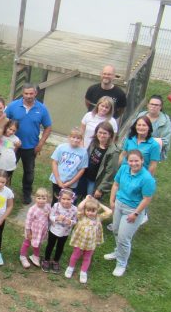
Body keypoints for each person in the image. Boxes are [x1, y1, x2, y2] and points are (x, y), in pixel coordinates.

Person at [104, 149, 156, 277]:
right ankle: (118, 251)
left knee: (123, 237)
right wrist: (112, 200)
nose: (133, 163)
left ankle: (121, 263)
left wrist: (136, 214)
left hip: (133, 210)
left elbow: (146, 198)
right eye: (131, 161)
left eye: (136, 161)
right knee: (115, 230)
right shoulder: (124, 169)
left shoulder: (147, 178)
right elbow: (116, 184)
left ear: (142, 161)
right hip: (119, 204)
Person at [6, 83, 53, 205]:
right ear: (22, 93)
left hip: (31, 147)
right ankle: (5, 191)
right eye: (26, 93)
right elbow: (3, 121)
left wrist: (41, 143)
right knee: (8, 169)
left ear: (35, 93)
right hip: (12, 146)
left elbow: (48, 127)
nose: (28, 96)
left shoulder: (42, 109)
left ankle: (26, 193)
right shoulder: (13, 106)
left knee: (29, 172)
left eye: (31, 93)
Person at [64, 195, 112, 284]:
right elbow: (79, 207)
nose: (90, 213)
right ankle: (70, 267)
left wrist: (99, 204)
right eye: (88, 210)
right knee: (75, 255)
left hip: (91, 243)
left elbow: (109, 211)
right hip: (80, 241)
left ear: (97, 210)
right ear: (85, 210)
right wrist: (86, 199)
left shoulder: (99, 218)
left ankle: (83, 272)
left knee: (87, 257)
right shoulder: (82, 217)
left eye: (93, 211)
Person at [77, 121, 119, 200]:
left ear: (110, 135)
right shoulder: (94, 142)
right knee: (79, 198)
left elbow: (110, 173)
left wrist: (101, 189)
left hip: (95, 182)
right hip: (85, 176)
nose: (102, 135)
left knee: (90, 202)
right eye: (100, 132)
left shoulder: (113, 152)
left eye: (105, 133)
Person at [42, 188, 78, 274]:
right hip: (53, 230)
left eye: (68, 199)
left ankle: (56, 261)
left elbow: (75, 220)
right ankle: (46, 260)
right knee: (50, 245)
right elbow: (51, 216)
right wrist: (57, 218)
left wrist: (71, 222)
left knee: (60, 247)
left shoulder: (74, 209)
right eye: (63, 199)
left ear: (72, 199)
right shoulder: (56, 205)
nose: (66, 201)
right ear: (59, 198)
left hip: (65, 232)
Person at [49, 127, 88, 201]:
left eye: (78, 138)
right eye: (73, 137)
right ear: (69, 137)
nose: (75, 140)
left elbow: (82, 169)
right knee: (56, 201)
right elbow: (54, 163)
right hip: (57, 180)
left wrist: (70, 182)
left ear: (81, 139)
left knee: (67, 202)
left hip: (71, 183)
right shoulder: (61, 147)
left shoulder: (83, 152)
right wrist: (58, 180)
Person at [19, 187, 51, 269]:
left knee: (38, 243)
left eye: (43, 198)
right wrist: (28, 232)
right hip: (32, 231)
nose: (41, 200)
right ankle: (22, 256)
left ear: (47, 199)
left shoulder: (48, 207)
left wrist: (49, 216)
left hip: (41, 231)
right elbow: (28, 222)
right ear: (35, 198)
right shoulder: (32, 209)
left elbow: (49, 218)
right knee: (27, 243)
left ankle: (35, 256)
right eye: (39, 198)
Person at [136, 95, 171, 161]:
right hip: (136, 148)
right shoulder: (140, 115)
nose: (153, 106)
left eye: (156, 105)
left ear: (160, 107)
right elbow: (131, 132)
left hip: (153, 152)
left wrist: (145, 144)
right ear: (148, 105)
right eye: (152, 104)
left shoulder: (165, 121)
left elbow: (165, 141)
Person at [0, 120, 20, 185]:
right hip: (0, 161)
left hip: (9, 162)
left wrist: (18, 145)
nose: (11, 132)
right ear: (6, 127)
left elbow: (16, 149)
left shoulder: (16, 139)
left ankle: (7, 191)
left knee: (7, 178)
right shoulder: (0, 136)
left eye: (14, 131)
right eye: (10, 129)